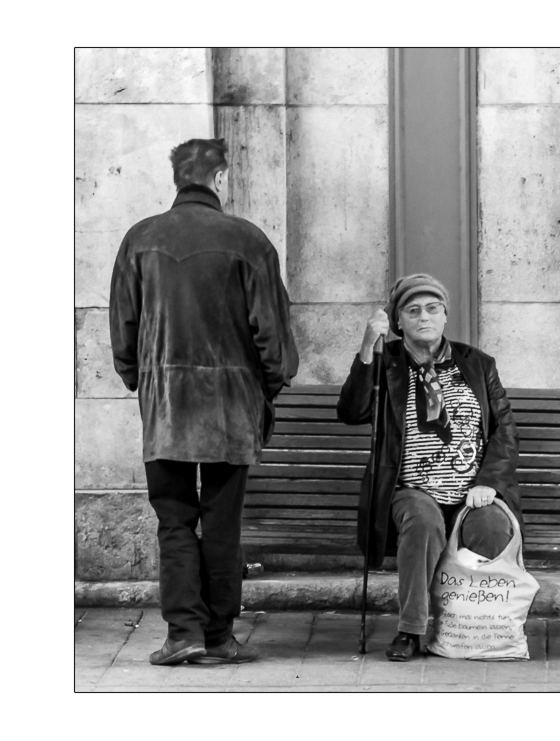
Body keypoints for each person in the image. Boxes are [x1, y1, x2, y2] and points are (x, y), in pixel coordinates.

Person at [109, 138, 298, 666]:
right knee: (222, 523)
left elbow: (124, 331)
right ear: (221, 178)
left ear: (177, 179)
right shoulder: (249, 240)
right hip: (232, 407)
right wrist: (269, 384)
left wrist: (141, 379)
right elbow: (274, 339)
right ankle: (219, 635)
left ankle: (182, 633)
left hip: (165, 404)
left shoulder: (139, 239)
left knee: (174, 520)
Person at [337, 274, 521, 661]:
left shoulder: (478, 364)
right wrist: (368, 346)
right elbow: (351, 412)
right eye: (413, 310)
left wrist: (488, 481)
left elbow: (504, 429)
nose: (425, 317)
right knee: (421, 520)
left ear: (445, 316)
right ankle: (411, 630)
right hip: (411, 490)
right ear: (398, 320)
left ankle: (474, 627)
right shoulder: (387, 364)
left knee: (491, 525)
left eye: (433, 309)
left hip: (471, 491)